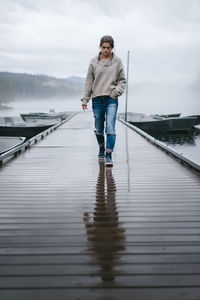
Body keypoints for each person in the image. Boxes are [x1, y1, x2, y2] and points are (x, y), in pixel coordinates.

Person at [81, 35, 126, 166]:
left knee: (110, 129)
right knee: (99, 129)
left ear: (112, 48)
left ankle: (108, 153)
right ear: (100, 47)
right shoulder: (93, 62)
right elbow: (88, 82)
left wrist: (116, 92)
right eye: (103, 47)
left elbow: (122, 81)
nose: (106, 50)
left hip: (111, 99)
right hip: (97, 100)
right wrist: (85, 100)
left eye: (108, 47)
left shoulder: (117, 62)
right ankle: (101, 147)